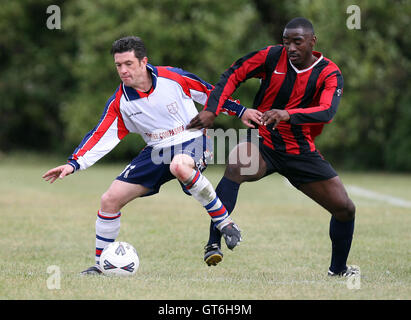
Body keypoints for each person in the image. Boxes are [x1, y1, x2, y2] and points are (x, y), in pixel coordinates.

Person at [42, 36, 262, 275]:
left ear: (144, 61)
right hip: (155, 150)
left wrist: (240, 110)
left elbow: (210, 93)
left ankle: (224, 222)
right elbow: (100, 135)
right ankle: (101, 266)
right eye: (118, 65)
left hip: (193, 138)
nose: (123, 70)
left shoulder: (173, 78)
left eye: (128, 64)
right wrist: (73, 164)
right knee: (109, 199)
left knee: (179, 165)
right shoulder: (121, 101)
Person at [187, 17, 358, 277]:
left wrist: (287, 114)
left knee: (345, 208)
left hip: (299, 150)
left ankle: (338, 270)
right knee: (236, 165)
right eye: (286, 41)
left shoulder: (329, 73)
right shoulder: (271, 56)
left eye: (297, 42)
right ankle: (213, 243)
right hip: (263, 142)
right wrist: (212, 109)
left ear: (313, 42)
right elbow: (233, 74)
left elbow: (326, 111)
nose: (290, 48)